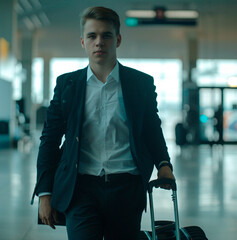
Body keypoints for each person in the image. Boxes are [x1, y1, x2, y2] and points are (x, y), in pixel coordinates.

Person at [31, 6, 175, 240]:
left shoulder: (140, 84)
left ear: (117, 39)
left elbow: (151, 129)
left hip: (126, 188)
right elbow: (50, 138)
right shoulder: (67, 85)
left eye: (106, 35)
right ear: (83, 41)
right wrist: (44, 193)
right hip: (80, 189)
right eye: (92, 36)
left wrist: (163, 164)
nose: (99, 42)